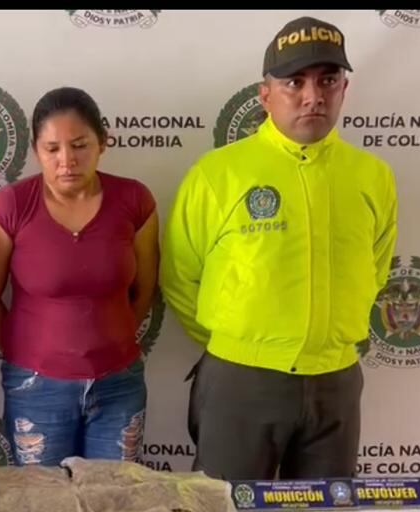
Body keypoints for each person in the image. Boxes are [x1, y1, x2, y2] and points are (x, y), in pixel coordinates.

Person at [160, 16, 398, 480]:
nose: (313, 96)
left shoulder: (372, 176)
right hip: (241, 379)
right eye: (295, 82)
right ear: (265, 95)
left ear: (344, 89)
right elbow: (181, 275)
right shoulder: (218, 174)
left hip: (336, 380)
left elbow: (377, 266)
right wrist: (241, 343)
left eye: (327, 80)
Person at [0, 87, 159, 466]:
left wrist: (113, 340)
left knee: (113, 495)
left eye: (79, 145)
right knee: (45, 499)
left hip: (119, 384)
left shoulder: (135, 201)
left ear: (102, 142)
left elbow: (145, 289)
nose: (67, 161)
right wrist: (28, 356)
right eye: (52, 149)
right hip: (35, 387)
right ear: (36, 151)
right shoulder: (10, 207)